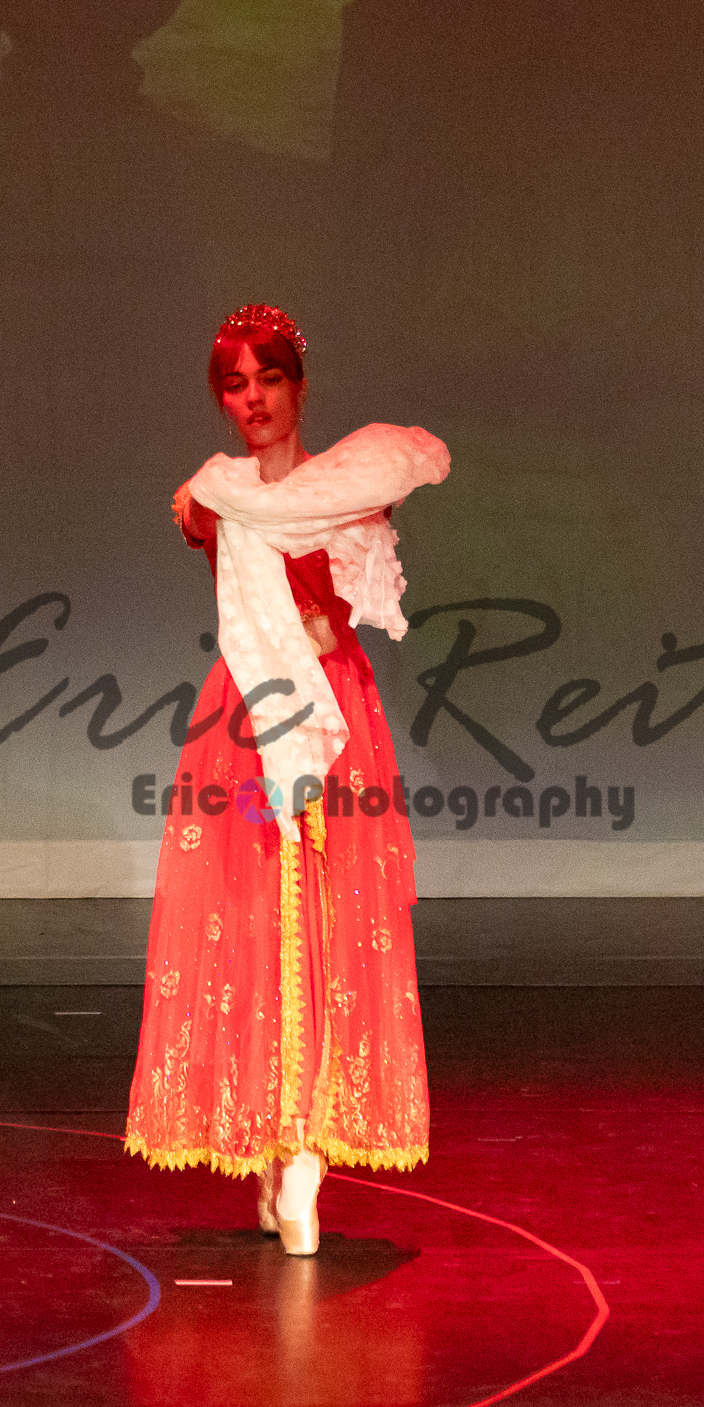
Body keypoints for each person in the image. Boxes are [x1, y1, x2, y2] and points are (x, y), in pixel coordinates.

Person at [124, 303, 450, 1254]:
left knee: (330, 916)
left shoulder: (353, 488)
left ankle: (305, 1159)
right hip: (248, 711)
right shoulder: (211, 496)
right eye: (236, 384)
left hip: (334, 707)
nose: (254, 399)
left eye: (269, 378)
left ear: (299, 387)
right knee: (257, 917)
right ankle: (273, 1147)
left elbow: (357, 561)